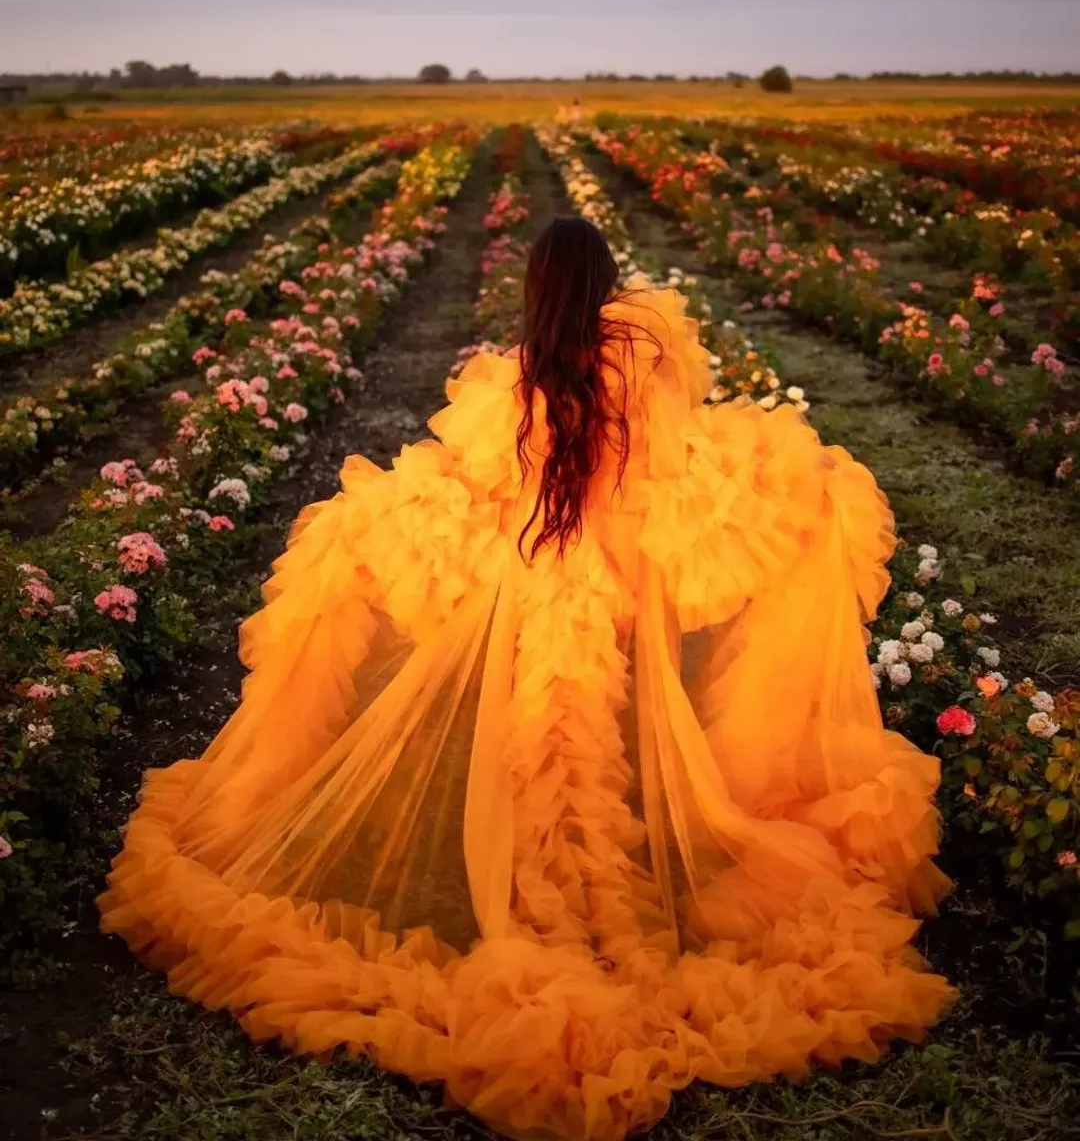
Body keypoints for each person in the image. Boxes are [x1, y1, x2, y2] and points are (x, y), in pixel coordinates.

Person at [99, 216, 954, 1141]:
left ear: (539, 290)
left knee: (542, 733)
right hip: (619, 578)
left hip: (533, 583)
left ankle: (528, 884)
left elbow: (482, 483)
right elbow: (685, 463)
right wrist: (797, 476)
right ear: (606, 282)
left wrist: (388, 515)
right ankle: (591, 887)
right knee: (606, 730)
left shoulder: (516, 377)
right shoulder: (646, 355)